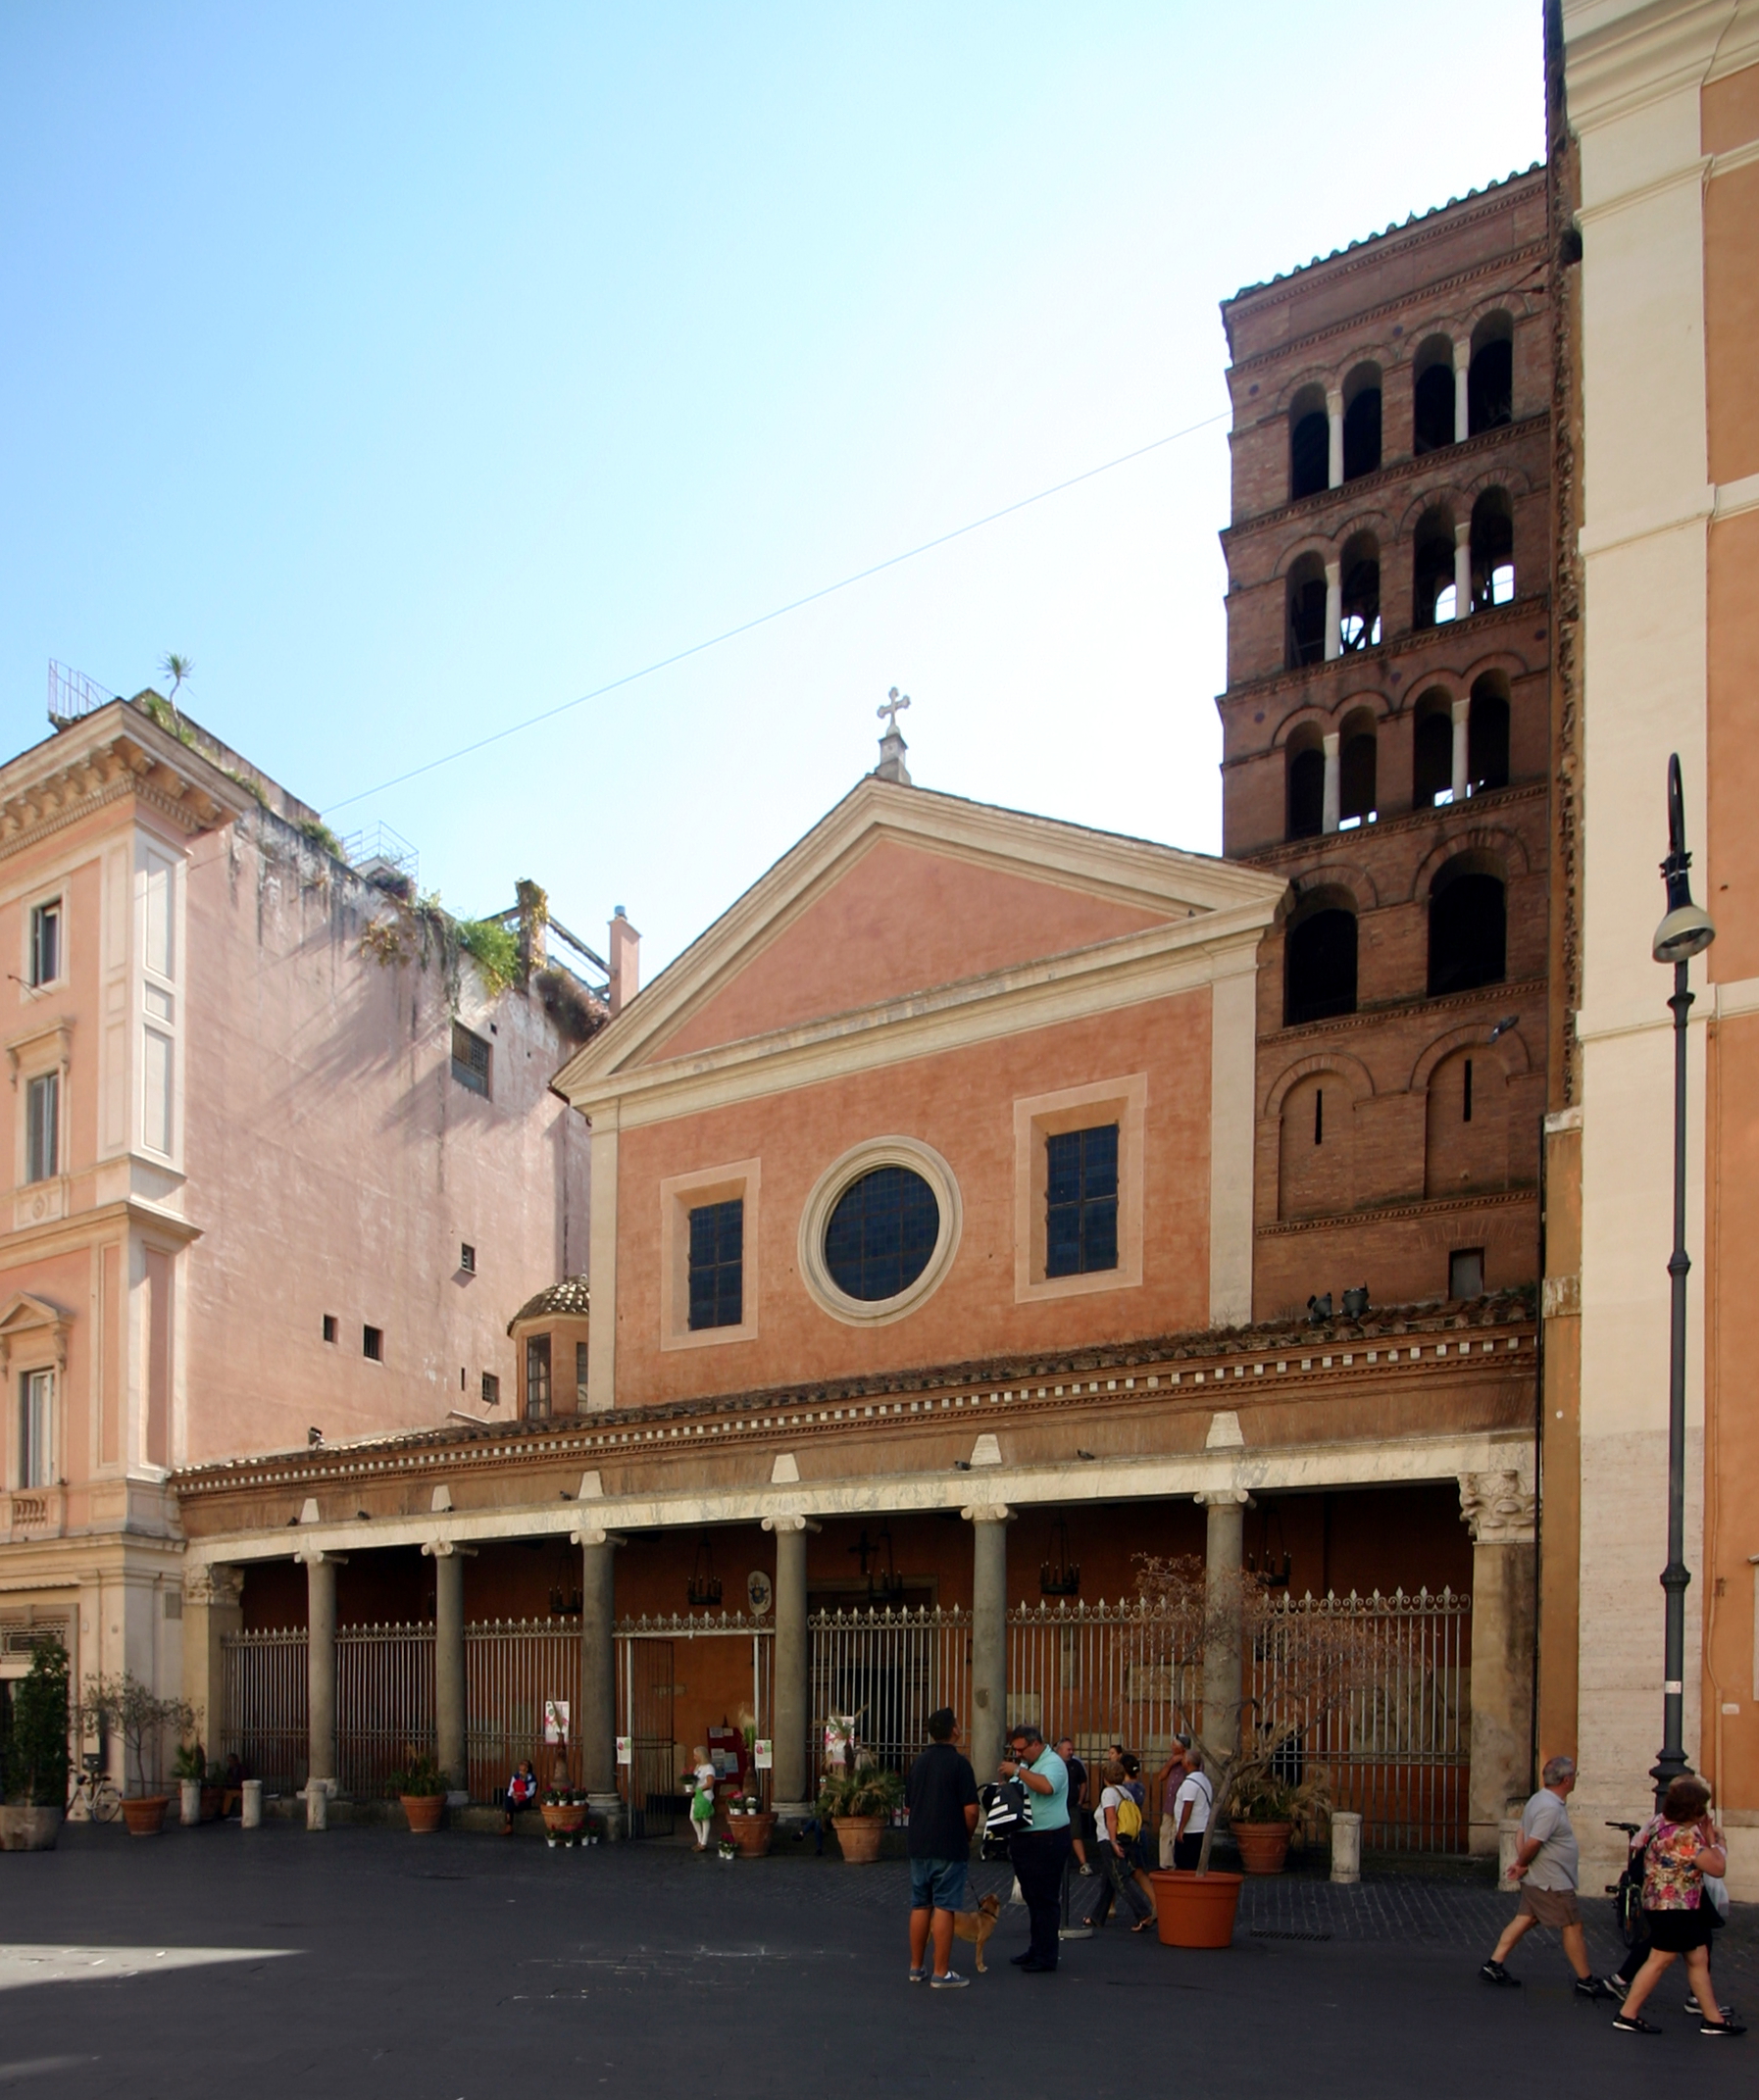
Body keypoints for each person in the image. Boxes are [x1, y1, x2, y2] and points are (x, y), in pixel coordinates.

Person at [1612, 1775, 1745, 2036]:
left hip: (1666, 1904)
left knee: (1698, 1957)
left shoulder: (1659, 1826)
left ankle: (1712, 2019)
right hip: (1674, 1907)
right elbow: (1717, 1867)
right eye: (1702, 1809)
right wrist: (1715, 1840)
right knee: (1660, 1960)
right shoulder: (1683, 1837)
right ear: (1693, 1810)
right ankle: (1627, 2014)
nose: (1705, 1814)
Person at [1479, 1756, 1612, 2000]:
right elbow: (1533, 1842)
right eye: (1574, 1776)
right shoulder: (1549, 1808)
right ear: (1566, 1780)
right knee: (1572, 1925)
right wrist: (1520, 1864)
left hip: (1539, 1877)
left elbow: (1520, 1833)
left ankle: (1493, 1964)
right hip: (1552, 1880)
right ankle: (1585, 1980)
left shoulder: (1538, 1800)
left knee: (1526, 1919)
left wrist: (1522, 1863)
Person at [906, 1708, 980, 1989]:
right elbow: (971, 1811)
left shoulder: (918, 1763)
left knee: (919, 1903)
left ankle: (916, 1966)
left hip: (919, 1842)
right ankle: (941, 1971)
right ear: (954, 1730)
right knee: (945, 1907)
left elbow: (910, 1803)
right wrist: (967, 1835)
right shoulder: (960, 1765)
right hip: (949, 1843)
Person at [999, 1724, 1070, 1973]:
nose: (1017, 1754)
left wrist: (1018, 1770)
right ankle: (1036, 1948)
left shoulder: (1053, 1763)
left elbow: (1047, 1787)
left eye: (1021, 1750)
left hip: (1048, 1839)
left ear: (1036, 1744)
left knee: (1046, 1899)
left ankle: (1047, 1955)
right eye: (1015, 1750)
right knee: (1032, 1897)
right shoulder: (1027, 1766)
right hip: (1025, 1837)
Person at [1089, 1758, 1157, 1932]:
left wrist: (1112, 1841)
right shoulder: (1125, 1792)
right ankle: (1098, 1916)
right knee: (1108, 1879)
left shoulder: (1108, 1793)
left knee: (1120, 1879)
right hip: (1127, 1838)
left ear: (1105, 1778)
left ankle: (1143, 1913)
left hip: (1110, 1839)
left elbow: (1111, 1818)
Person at [1168, 1741, 1213, 1871]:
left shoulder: (1190, 1783)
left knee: (1185, 1865)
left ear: (1188, 1763)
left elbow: (1188, 1806)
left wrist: (1181, 1828)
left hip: (1191, 1831)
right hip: (1202, 1828)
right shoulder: (1204, 1780)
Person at [1056, 1738, 1093, 1875]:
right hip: (1056, 1805)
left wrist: (1080, 1801)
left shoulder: (1076, 1765)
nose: (1071, 1752)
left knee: (1076, 1834)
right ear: (1059, 1751)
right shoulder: (1053, 1765)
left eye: (1072, 1750)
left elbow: (1083, 1783)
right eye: (1068, 1750)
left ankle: (1083, 1863)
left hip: (1072, 1805)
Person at [688, 1745, 718, 1851]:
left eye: (695, 1755)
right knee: (693, 1817)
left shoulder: (709, 1768)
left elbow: (710, 1782)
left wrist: (699, 1789)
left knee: (704, 1817)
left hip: (705, 1794)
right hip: (697, 1794)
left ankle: (703, 1842)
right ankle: (700, 1839)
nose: (694, 1757)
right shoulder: (698, 1767)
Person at [502, 1757, 537, 1835]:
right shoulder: (515, 1777)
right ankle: (508, 1825)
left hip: (524, 1800)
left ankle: (509, 1825)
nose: (521, 1766)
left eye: (524, 1765)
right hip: (515, 1798)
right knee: (508, 1800)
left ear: (527, 1768)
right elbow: (511, 1790)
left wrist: (520, 1795)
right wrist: (514, 1796)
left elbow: (530, 1792)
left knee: (510, 1805)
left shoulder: (532, 1779)